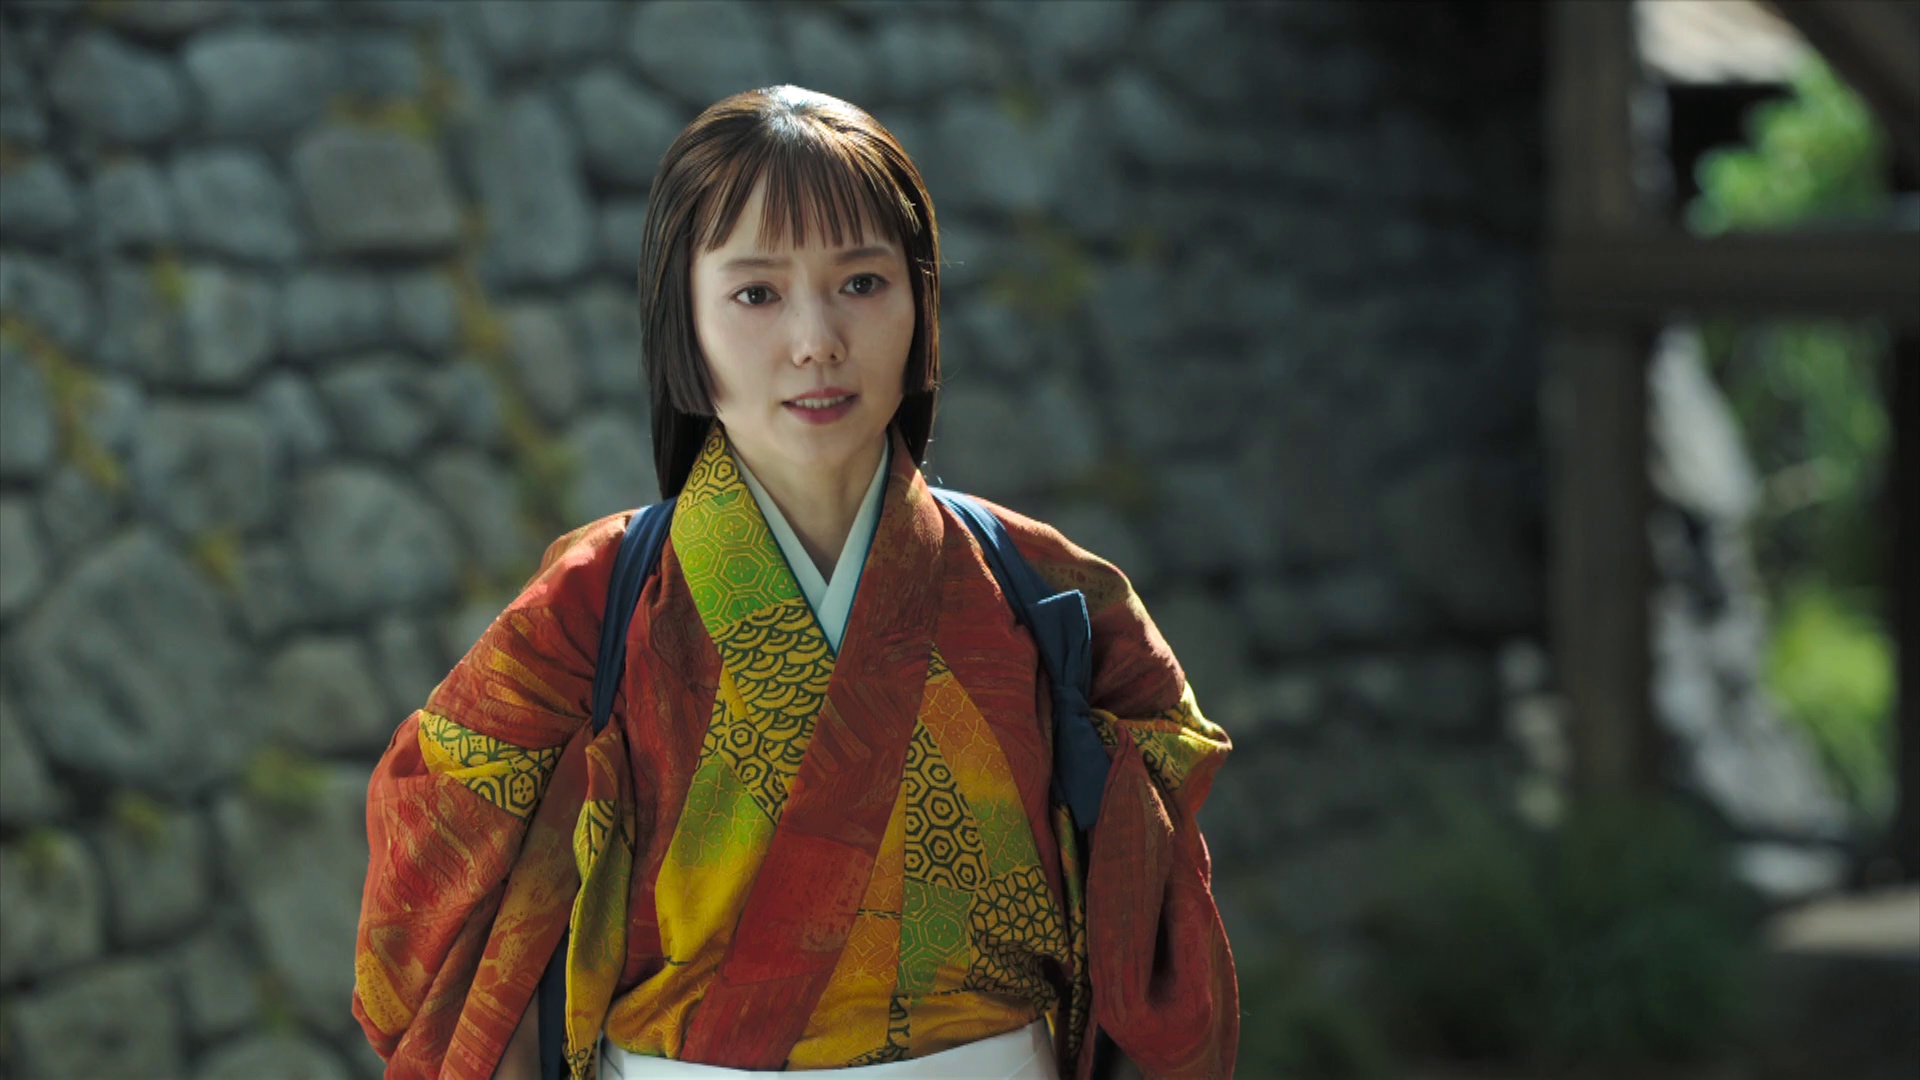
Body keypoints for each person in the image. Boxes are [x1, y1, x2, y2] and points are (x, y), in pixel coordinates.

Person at [353, 85, 1237, 1080]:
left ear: (920, 304)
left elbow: (1153, 919)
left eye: (862, 282)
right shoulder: (590, 608)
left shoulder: (1047, 591)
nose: (816, 339)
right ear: (683, 321)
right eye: (757, 294)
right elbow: (430, 877)